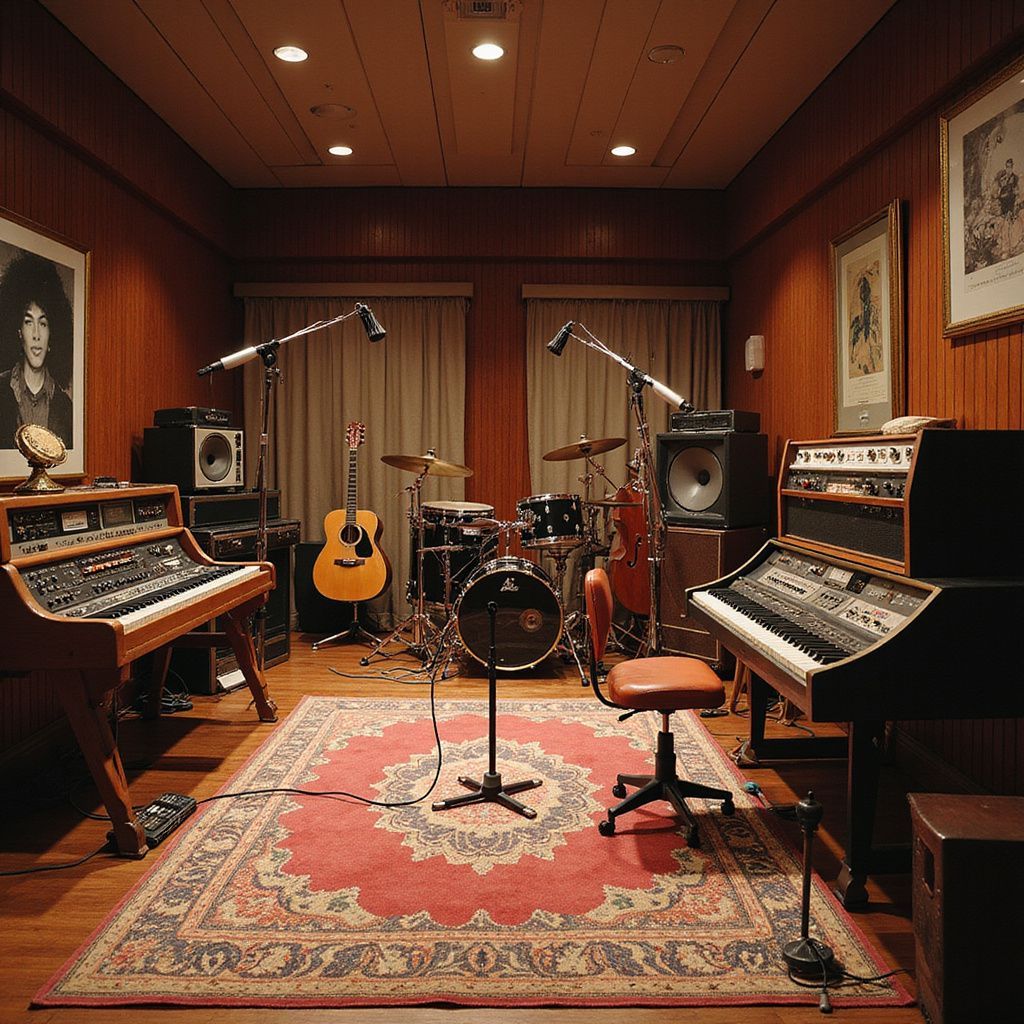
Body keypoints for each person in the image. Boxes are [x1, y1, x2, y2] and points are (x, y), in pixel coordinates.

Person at [0, 251, 74, 448]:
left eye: (43, 324)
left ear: (53, 333)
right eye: (28, 322)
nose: (36, 335)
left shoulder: (66, 408)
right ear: (17, 331)